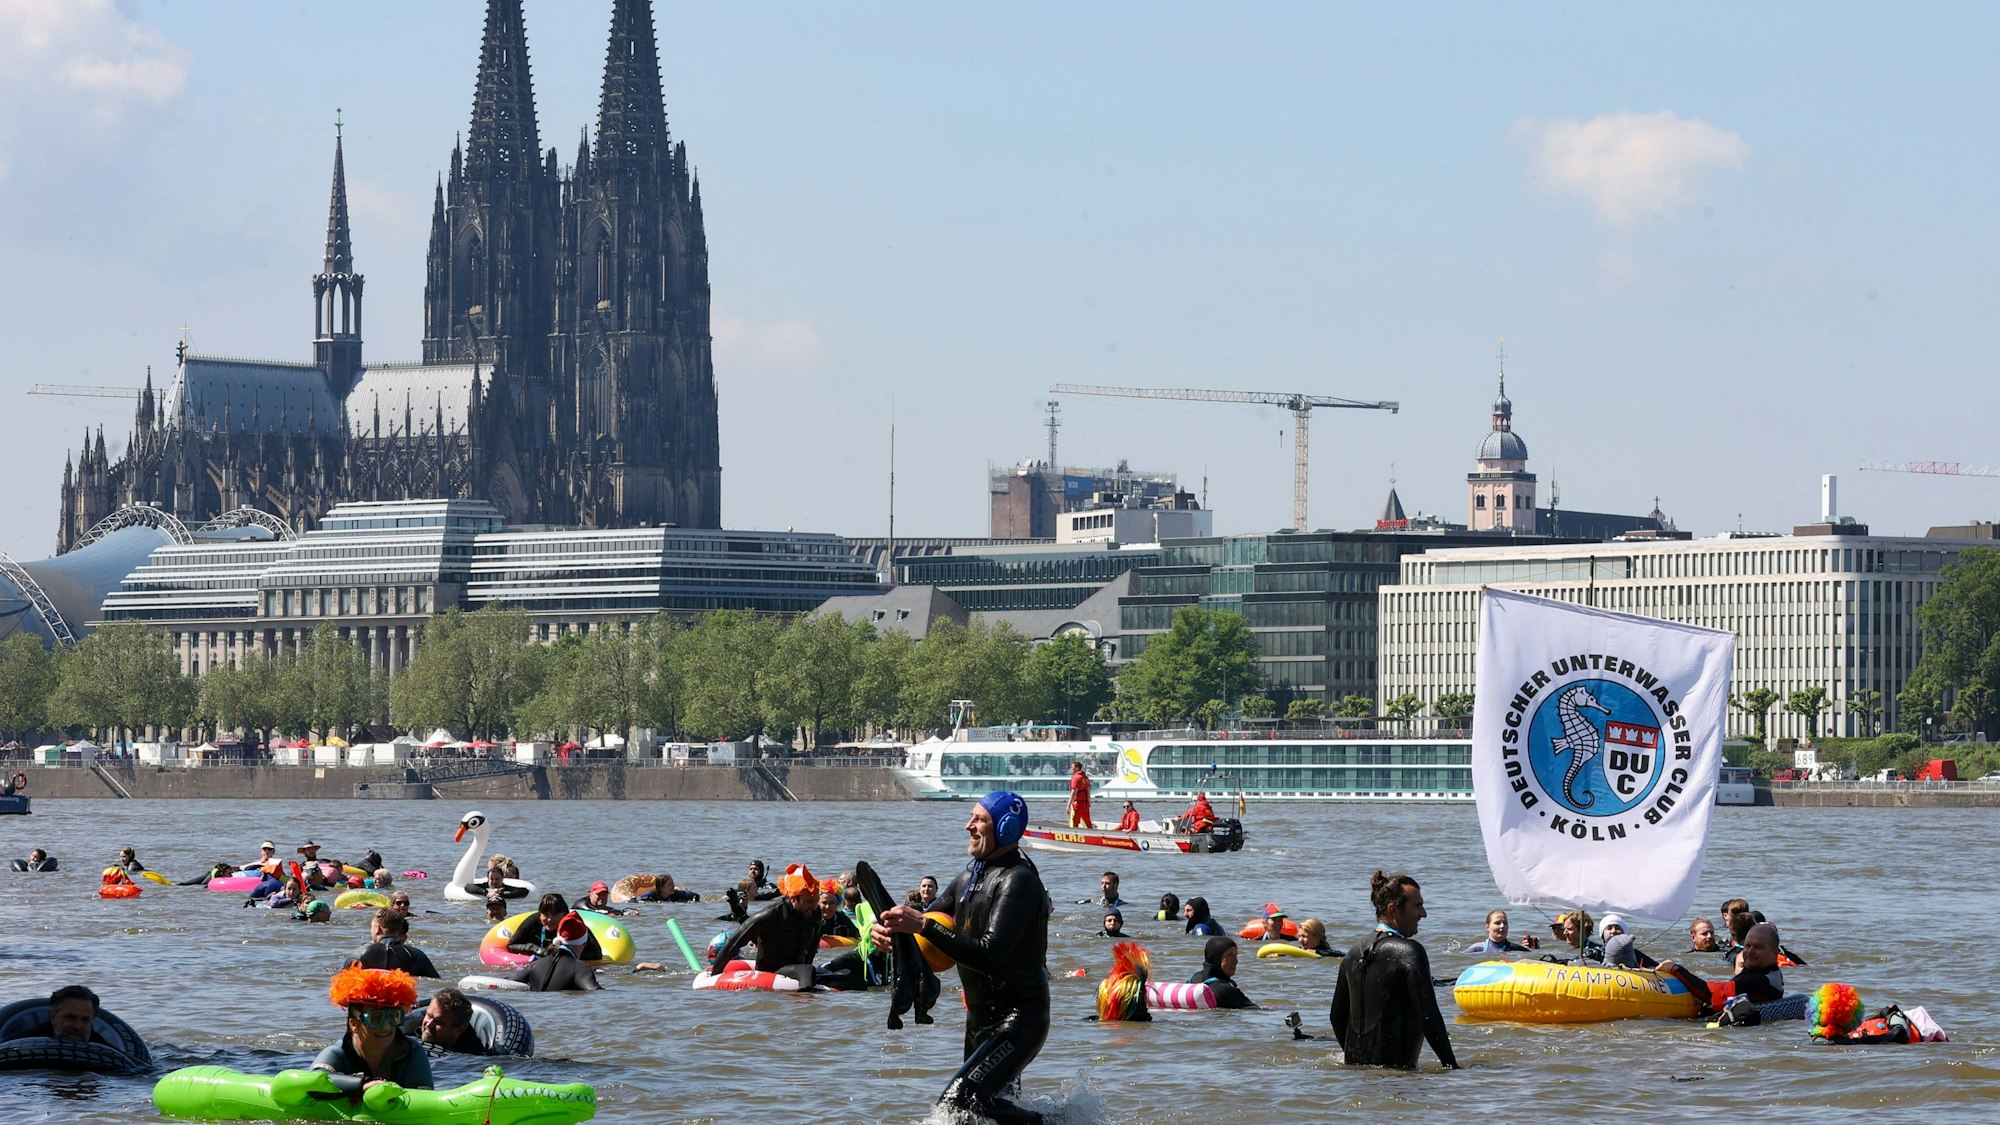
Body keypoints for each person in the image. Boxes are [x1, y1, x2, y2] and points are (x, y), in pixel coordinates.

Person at [873, 791, 1050, 1125]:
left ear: (1007, 828)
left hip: (1019, 1021)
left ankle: (1052, 1122)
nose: (969, 825)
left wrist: (922, 925)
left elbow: (988, 954)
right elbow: (922, 930)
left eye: (979, 819)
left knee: (958, 1104)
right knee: (983, 1115)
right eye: (971, 817)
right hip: (978, 1022)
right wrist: (887, 935)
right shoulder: (967, 880)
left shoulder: (1019, 881)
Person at [1329, 871, 1458, 1070]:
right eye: (1417, 906)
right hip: (1398, 1077)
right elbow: (1428, 1015)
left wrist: (1355, 1060)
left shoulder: (1353, 953)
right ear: (1393, 910)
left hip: (1358, 1078)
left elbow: (1336, 1017)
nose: (1423, 914)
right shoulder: (1409, 952)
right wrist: (1452, 1067)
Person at [315, 967, 433, 1093]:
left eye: (393, 1017)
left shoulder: (412, 1052)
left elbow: (425, 1096)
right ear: (354, 1024)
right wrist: (362, 1085)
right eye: (375, 1018)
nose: (386, 1026)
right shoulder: (337, 1053)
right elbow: (314, 1081)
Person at [708, 864, 825, 989]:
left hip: (801, 970)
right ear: (793, 898)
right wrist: (714, 976)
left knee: (834, 977)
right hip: (772, 972)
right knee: (807, 970)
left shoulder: (815, 913)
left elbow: (813, 946)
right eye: (809, 901)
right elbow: (733, 943)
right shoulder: (770, 915)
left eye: (816, 900)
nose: (814, 906)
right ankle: (805, 1000)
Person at [1656, 922, 1785, 1016]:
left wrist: (1675, 969)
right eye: (1748, 946)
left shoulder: (1760, 980)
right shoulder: (1770, 974)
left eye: (1758, 947)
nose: (1750, 951)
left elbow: (1709, 994)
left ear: (1775, 953)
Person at [504, 913, 603, 992]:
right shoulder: (580, 968)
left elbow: (506, 983)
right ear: (583, 944)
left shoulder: (535, 965)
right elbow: (596, 992)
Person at [507, 894, 604, 962]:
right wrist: (534, 949)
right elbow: (511, 945)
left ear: (564, 914)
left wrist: (563, 954)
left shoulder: (574, 925)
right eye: (546, 914)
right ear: (540, 914)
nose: (549, 919)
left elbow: (597, 955)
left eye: (555, 914)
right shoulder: (533, 922)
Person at [348, 908, 440, 979]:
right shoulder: (416, 955)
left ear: (377, 929)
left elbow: (342, 984)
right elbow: (436, 984)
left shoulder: (358, 954)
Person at [406, 988, 485, 1056]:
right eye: (429, 1015)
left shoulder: (472, 1051)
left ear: (458, 1030)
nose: (429, 1024)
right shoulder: (407, 1030)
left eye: (438, 1022)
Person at [1188, 936, 1257, 1009]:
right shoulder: (1226, 991)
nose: (1236, 961)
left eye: (1235, 956)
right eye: (1229, 956)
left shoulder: (1193, 979)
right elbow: (1255, 1010)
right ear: (1216, 958)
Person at [33, 985, 109, 1045]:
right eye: (70, 1018)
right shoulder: (30, 1041)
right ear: (53, 1017)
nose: (77, 1027)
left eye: (85, 1020)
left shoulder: (106, 1051)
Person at [1464, 909, 1535, 953]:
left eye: (1505, 923)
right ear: (1487, 927)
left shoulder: (1517, 949)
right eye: (1497, 923)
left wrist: (1525, 953)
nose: (1502, 926)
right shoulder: (1476, 949)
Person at [632, 874, 699, 903]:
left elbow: (695, 896)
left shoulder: (676, 894)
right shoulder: (649, 896)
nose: (673, 886)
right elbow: (633, 901)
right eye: (670, 885)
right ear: (661, 887)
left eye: (673, 884)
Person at [1067, 760, 1093, 829]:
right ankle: (1091, 834)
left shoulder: (1076, 777)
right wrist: (1089, 802)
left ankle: (1073, 834)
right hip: (1085, 804)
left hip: (1078, 803)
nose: (1071, 768)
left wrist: (1069, 805)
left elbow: (1074, 792)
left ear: (1077, 768)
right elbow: (1088, 791)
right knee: (1087, 823)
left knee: (1073, 822)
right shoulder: (1085, 777)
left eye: (1072, 767)